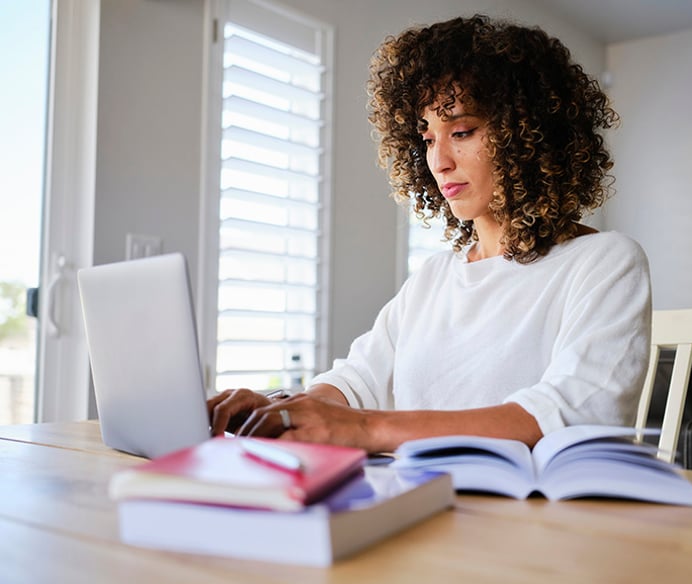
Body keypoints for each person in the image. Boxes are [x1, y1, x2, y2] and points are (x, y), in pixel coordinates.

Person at [208, 14, 651, 453]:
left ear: (530, 136)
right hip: (418, 501)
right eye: (426, 137)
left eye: (461, 131)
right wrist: (281, 410)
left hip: (530, 516)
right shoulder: (434, 278)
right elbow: (357, 382)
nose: (438, 161)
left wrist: (366, 429)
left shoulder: (604, 261)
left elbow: (576, 412)